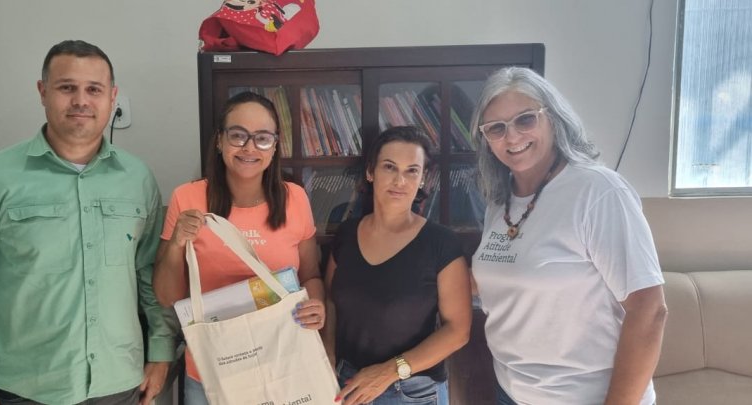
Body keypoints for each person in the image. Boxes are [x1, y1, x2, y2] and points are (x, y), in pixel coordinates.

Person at [0, 40, 176, 405]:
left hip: (118, 385)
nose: (81, 101)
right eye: (67, 88)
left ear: (112, 97)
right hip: (23, 390)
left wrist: (161, 351)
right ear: (43, 92)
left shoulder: (137, 178)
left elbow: (149, 275)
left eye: (94, 89)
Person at [469, 67, 668, 405]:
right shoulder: (499, 202)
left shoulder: (599, 191)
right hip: (511, 392)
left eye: (525, 120)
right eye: (496, 128)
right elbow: (507, 279)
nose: (512, 137)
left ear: (554, 118)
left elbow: (649, 310)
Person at [152, 91, 325, 405]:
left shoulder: (296, 198)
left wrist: (316, 305)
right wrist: (177, 242)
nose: (249, 147)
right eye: (237, 135)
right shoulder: (187, 198)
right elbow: (166, 297)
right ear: (220, 141)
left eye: (262, 138)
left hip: (284, 366)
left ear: (275, 146)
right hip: (211, 373)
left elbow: (311, 275)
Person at [325, 126, 472, 405]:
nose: (400, 180)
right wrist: (327, 355)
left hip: (410, 391)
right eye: (389, 167)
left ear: (423, 178)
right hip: (344, 384)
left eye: (412, 171)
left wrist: (389, 372)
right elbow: (330, 299)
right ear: (371, 172)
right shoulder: (346, 233)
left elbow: (457, 331)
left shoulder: (441, 243)